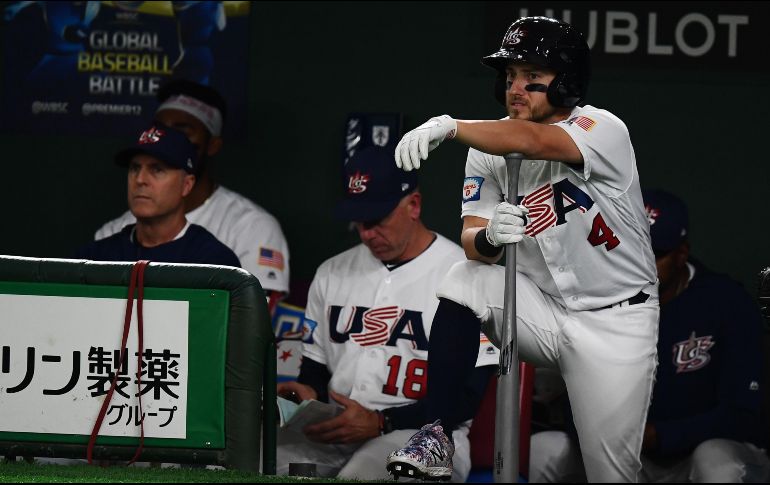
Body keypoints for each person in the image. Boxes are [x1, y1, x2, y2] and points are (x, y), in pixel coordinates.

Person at [386, 16, 659, 483]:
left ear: (567, 80)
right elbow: (473, 240)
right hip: (545, 311)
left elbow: (532, 141)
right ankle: (436, 433)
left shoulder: (601, 128)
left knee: (612, 475)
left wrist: (450, 127)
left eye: (533, 76)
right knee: (462, 277)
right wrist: (490, 237)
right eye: (510, 75)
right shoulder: (487, 150)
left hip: (618, 322)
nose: (516, 87)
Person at [275, 146, 498, 481]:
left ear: (413, 205)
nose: (367, 234)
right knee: (263, 461)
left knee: (362, 476)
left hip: (428, 436)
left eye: (377, 220)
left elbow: (467, 396)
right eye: (360, 222)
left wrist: (383, 422)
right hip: (339, 428)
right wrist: (307, 398)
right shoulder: (331, 272)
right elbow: (315, 372)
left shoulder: (467, 275)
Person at [528, 189, 770, 483]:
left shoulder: (726, 302)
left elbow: (742, 414)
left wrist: (658, 436)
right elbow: (574, 399)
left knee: (717, 462)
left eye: (654, 253)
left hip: (697, 457)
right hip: (625, 458)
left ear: (681, 254)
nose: (640, 263)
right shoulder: (598, 302)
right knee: (540, 450)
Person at [94, 80, 289, 308]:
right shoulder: (111, 237)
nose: (167, 141)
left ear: (212, 145)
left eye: (182, 132)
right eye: (160, 131)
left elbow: (254, 324)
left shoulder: (250, 226)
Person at [76, 123, 240, 268]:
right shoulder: (95, 259)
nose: (140, 180)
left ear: (186, 185)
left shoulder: (214, 262)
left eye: (157, 170)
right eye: (135, 168)